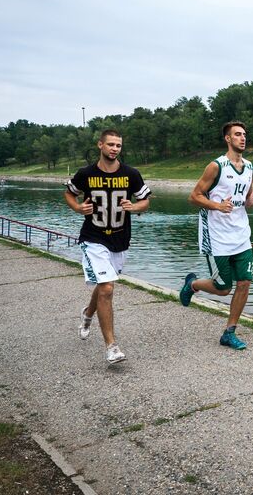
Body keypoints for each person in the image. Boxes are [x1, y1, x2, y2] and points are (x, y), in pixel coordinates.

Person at [64, 129, 151, 365]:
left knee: (105, 286)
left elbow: (145, 201)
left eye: (118, 145)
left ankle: (88, 313)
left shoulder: (131, 174)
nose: (114, 149)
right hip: (93, 238)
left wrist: (135, 207)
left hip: (120, 240)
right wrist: (78, 208)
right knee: (107, 288)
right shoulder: (86, 174)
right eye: (110, 144)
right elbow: (69, 194)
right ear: (100, 145)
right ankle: (112, 347)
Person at [179, 121, 253, 350]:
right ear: (228, 139)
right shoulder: (216, 166)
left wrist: (251, 201)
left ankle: (229, 332)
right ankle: (193, 284)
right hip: (216, 236)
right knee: (224, 288)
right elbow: (194, 196)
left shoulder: (250, 167)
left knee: (244, 283)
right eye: (237, 134)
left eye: (244, 134)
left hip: (241, 234)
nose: (242, 138)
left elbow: (244, 202)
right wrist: (217, 205)